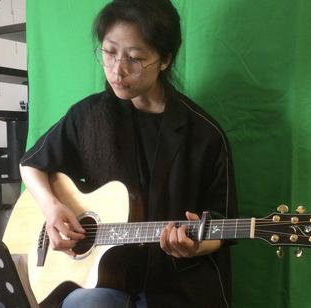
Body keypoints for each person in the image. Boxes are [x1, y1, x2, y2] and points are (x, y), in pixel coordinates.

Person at [19, 0, 237, 307]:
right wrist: (52, 207)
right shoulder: (89, 115)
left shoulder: (204, 135)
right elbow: (31, 165)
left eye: (134, 59)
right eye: (109, 53)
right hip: (99, 280)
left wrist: (194, 247)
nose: (117, 71)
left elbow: (223, 223)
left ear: (165, 60)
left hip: (175, 286)